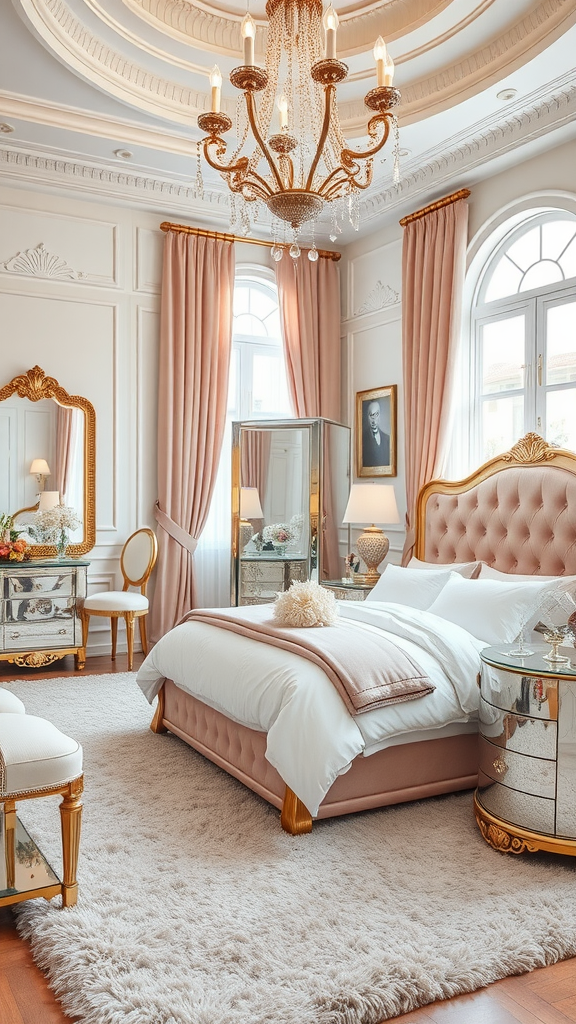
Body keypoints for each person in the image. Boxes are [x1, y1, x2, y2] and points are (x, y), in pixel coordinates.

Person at [362, 399, 390, 467]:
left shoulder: (387, 439)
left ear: (379, 416)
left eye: (376, 414)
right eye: (371, 415)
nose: (374, 419)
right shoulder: (362, 439)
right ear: (368, 417)